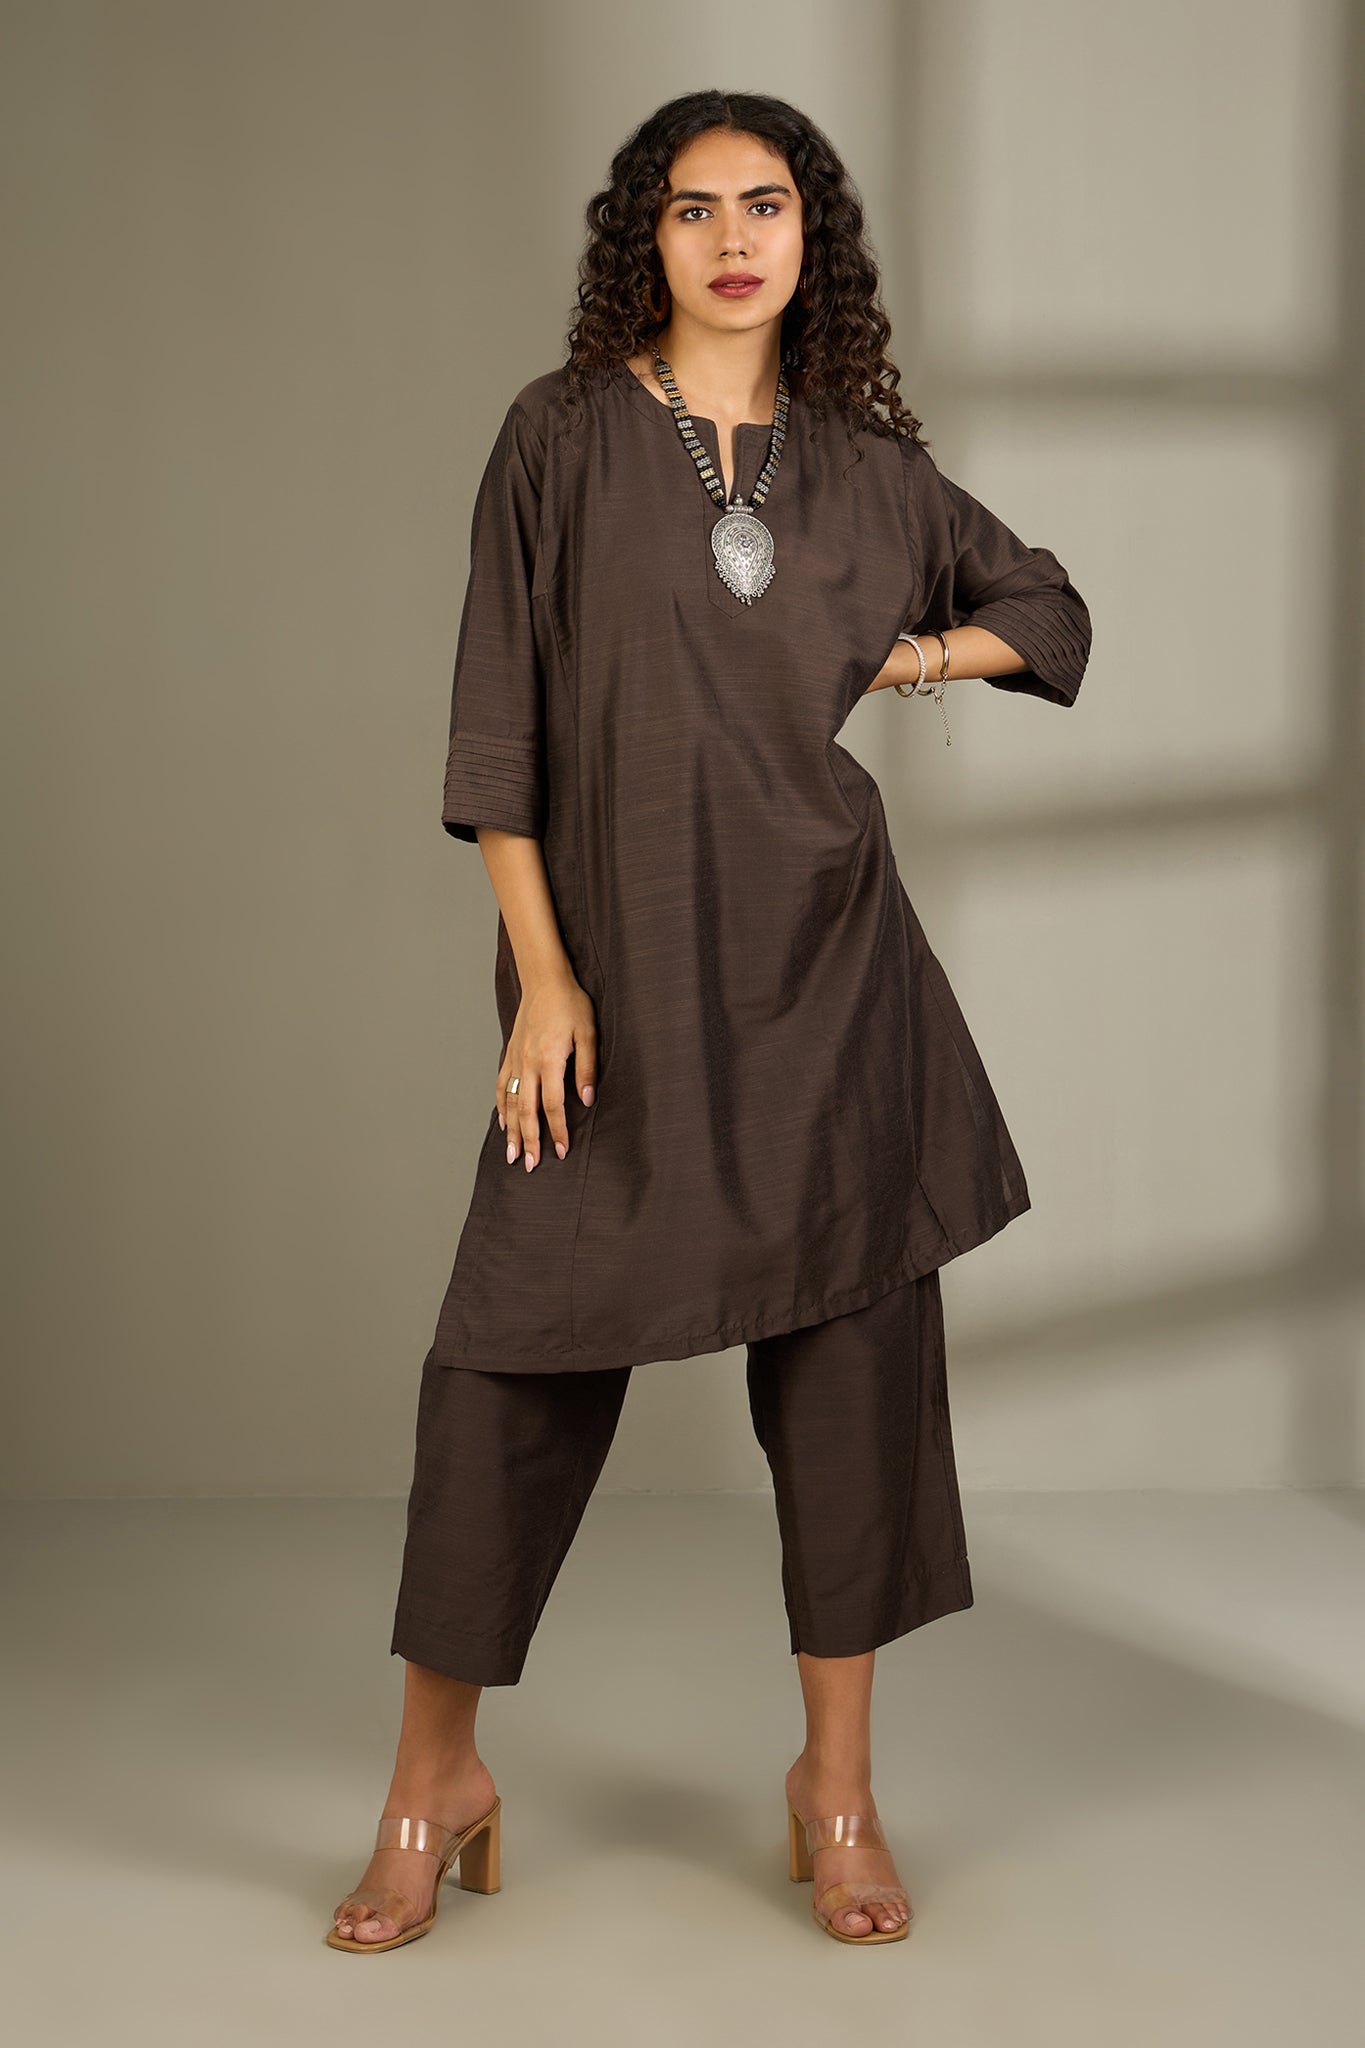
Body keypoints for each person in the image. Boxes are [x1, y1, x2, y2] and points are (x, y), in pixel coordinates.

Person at [328, 88, 1092, 1954]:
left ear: (810, 237)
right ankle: (433, 1781)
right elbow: (496, 727)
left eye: (766, 205)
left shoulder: (868, 472)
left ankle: (835, 1786)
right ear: (642, 238)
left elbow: (1046, 608)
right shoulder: (562, 435)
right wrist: (544, 977)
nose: (733, 238)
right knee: (506, 1369)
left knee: (848, 1377)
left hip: (829, 987)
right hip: (613, 982)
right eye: (692, 208)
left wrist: (915, 652)